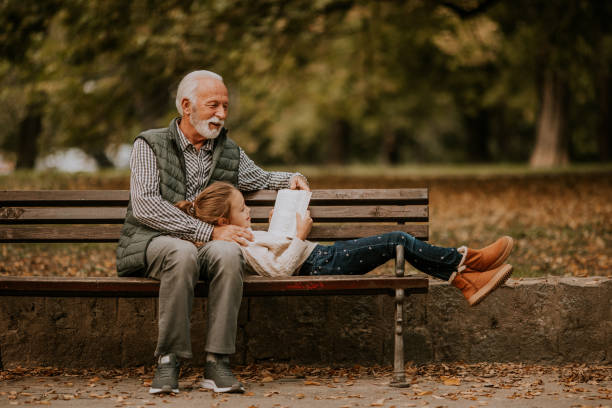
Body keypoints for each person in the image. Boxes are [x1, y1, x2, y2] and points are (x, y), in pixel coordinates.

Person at [116, 70, 309, 395]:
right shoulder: (149, 144)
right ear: (187, 106)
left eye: (225, 106)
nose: (221, 114)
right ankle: (168, 360)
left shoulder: (228, 151)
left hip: (206, 245)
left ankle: (217, 362)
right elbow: (146, 206)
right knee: (183, 251)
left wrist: (291, 177)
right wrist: (206, 231)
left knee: (229, 252)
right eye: (213, 105)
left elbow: (259, 178)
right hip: (152, 241)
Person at [176, 181, 514, 308]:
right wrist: (299, 235)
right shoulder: (235, 247)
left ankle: (467, 278)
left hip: (322, 257)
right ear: (222, 221)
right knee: (397, 239)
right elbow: (278, 271)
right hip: (319, 263)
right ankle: (468, 261)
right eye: (242, 209)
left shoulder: (240, 237)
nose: (249, 211)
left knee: (397, 242)